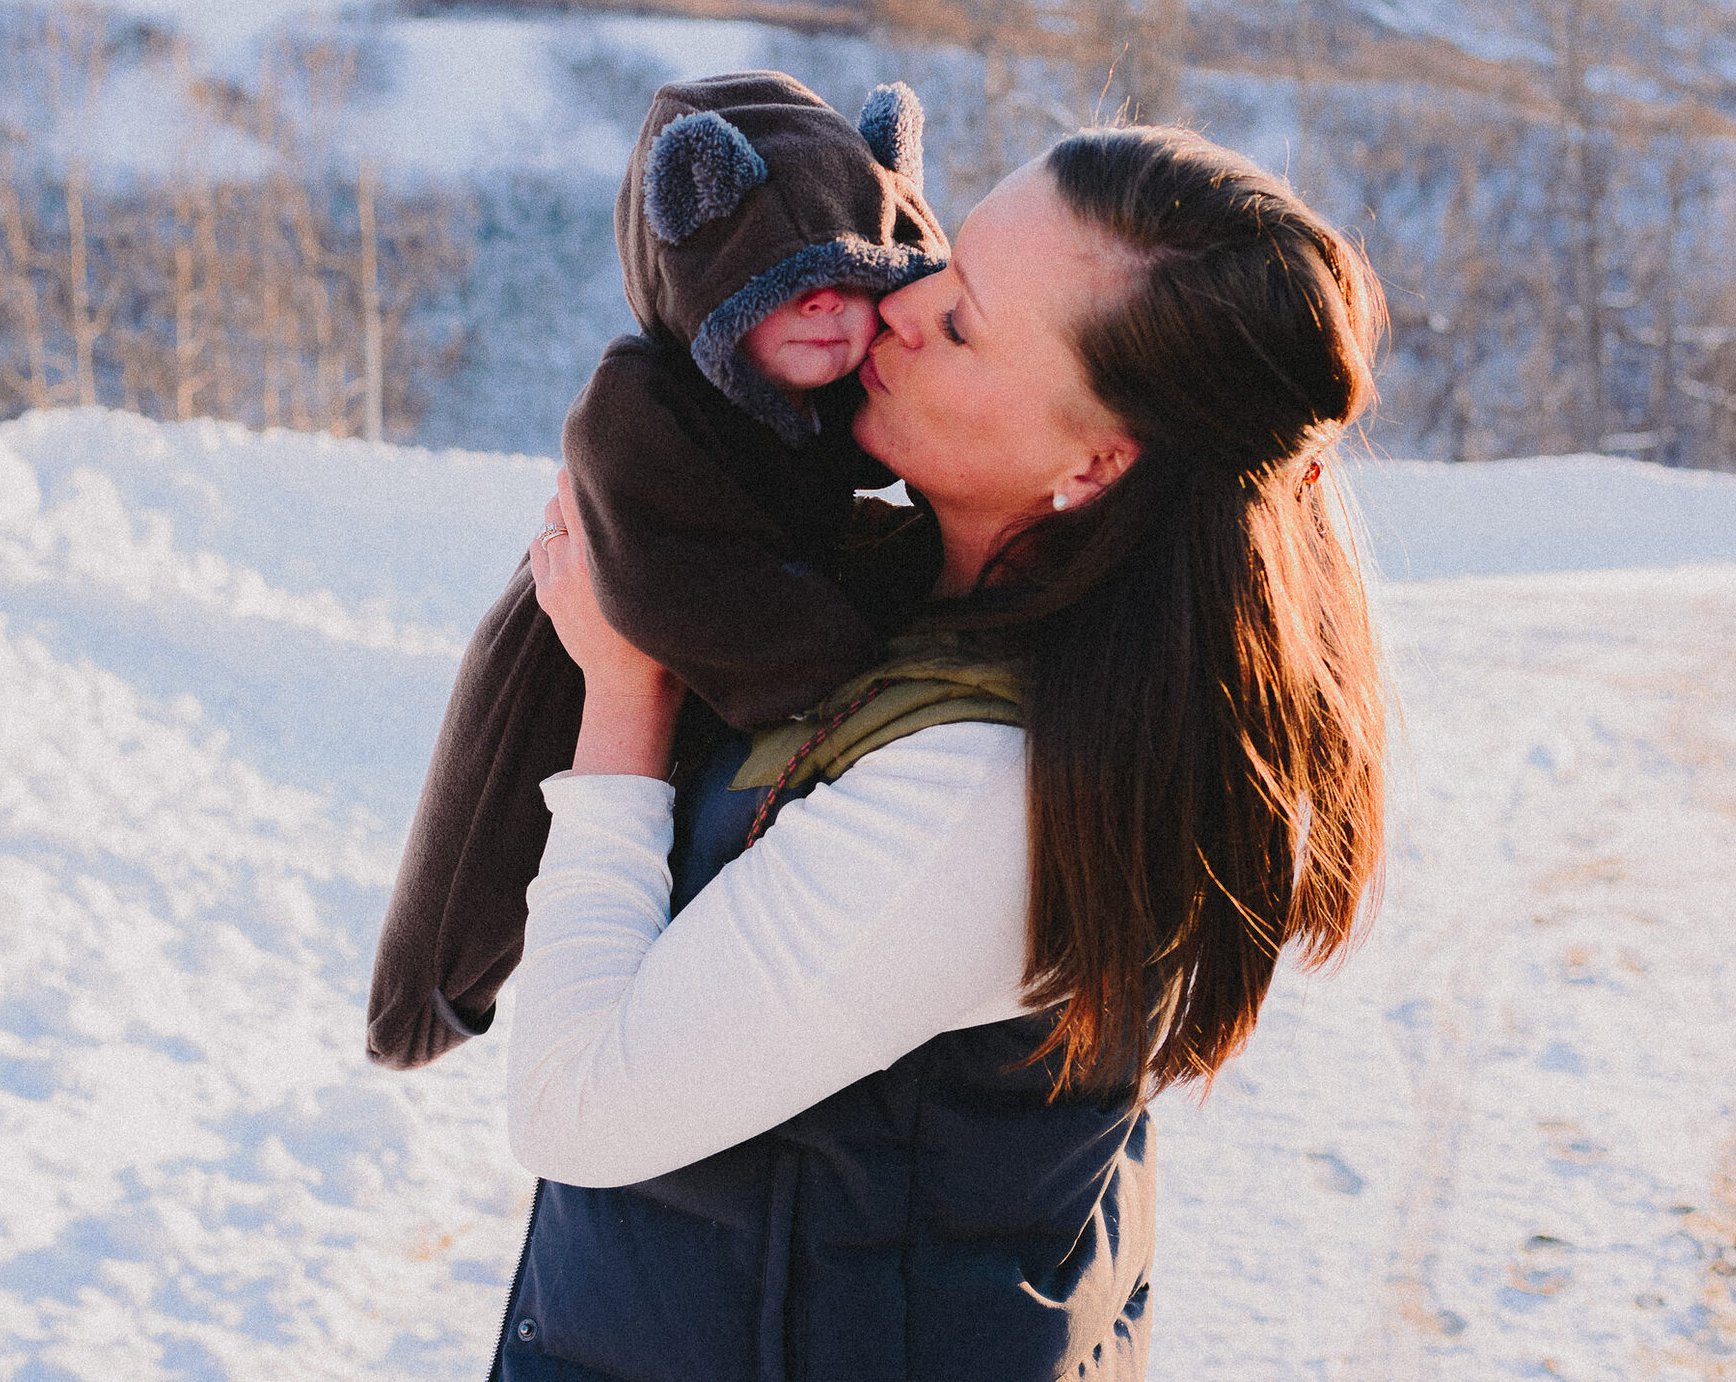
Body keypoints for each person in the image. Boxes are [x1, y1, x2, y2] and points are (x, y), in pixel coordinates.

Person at [493, 123, 1390, 1382]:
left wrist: (625, 697)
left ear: (1094, 464)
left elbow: (574, 1107)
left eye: (963, 322)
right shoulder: (923, 611)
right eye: (944, 257)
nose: (898, 302)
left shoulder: (979, 796)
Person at [365, 71, 949, 1071]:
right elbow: (675, 591)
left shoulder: (816, 393)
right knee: (488, 840)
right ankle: (419, 1007)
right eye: (785, 286)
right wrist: (839, 662)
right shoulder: (639, 405)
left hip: (731, 609)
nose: (827, 311)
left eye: (856, 285)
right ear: (703, 294)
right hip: (575, 628)